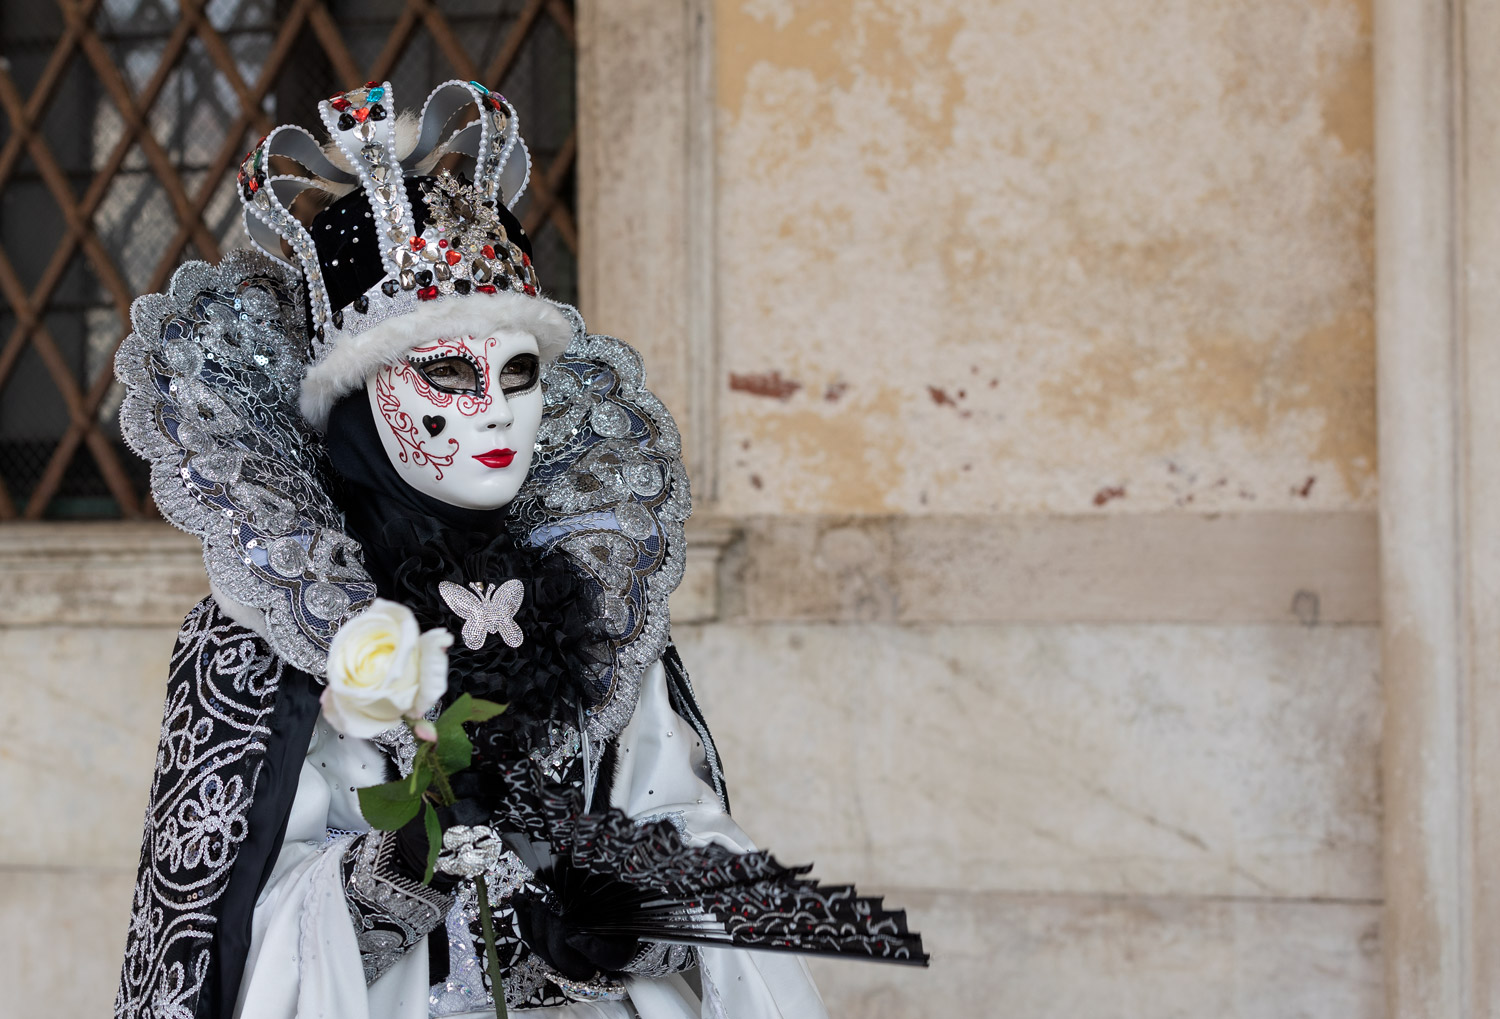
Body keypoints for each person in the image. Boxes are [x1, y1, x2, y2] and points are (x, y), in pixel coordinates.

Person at [113, 81, 917, 1019]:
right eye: (447, 371)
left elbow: (676, 820)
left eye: (521, 370)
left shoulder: (592, 604)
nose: (494, 404)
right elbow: (222, 936)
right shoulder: (263, 628)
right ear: (360, 397)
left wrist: (630, 910)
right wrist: (390, 870)